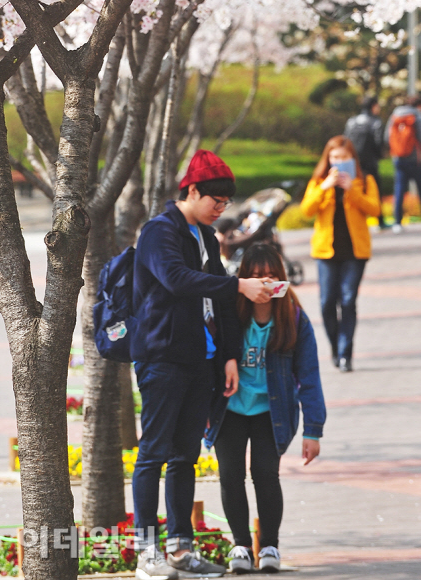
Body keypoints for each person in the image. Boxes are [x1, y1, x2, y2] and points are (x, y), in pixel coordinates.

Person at [131, 150, 274, 580]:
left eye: (226, 202)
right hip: (162, 357)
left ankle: (180, 549)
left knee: (184, 456)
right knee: (153, 454)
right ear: (191, 191)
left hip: (201, 359)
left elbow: (218, 300)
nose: (221, 208)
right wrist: (239, 284)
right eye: (215, 200)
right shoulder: (159, 232)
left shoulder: (207, 237)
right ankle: (146, 552)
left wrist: (229, 354)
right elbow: (178, 280)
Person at [205, 242, 326, 575]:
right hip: (228, 410)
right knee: (230, 476)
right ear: (244, 280)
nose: (264, 284)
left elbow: (309, 376)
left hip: (271, 414)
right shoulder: (228, 315)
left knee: (266, 476)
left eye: (271, 276)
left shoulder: (294, 320)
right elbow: (208, 363)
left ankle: (269, 545)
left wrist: (314, 430)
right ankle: (241, 546)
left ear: (282, 279)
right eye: (256, 277)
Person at [301, 136, 380, 371]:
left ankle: (346, 354)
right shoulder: (318, 181)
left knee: (347, 300)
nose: (338, 162)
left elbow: (374, 209)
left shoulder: (364, 180)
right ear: (328, 159)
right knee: (326, 303)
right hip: (326, 251)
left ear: (352, 158)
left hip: (355, 252)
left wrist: (351, 190)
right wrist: (325, 187)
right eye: (334, 158)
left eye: (344, 158)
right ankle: (335, 347)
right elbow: (306, 210)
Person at [344, 96, 386, 229]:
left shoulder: (352, 121)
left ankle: (349, 221)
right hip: (370, 163)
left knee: (350, 188)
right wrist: (380, 156)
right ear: (373, 106)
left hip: (353, 163)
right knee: (375, 190)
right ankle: (380, 220)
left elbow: (345, 140)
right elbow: (379, 143)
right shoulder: (376, 122)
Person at [384, 95, 421, 232]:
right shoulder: (416, 116)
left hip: (398, 159)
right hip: (415, 160)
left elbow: (386, 137)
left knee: (399, 190)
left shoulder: (395, 116)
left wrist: (395, 149)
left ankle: (397, 222)